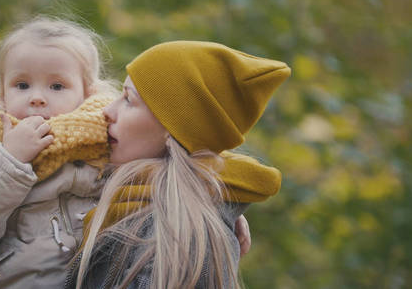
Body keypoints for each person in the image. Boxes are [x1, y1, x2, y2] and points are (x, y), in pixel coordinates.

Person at [66, 41, 291, 288]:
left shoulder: (176, 240)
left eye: (129, 99)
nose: (107, 110)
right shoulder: (126, 199)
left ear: (173, 129)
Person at [0, 16, 117, 288]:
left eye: (56, 86)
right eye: (22, 85)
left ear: (87, 94)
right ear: (0, 94)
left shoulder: (103, 143)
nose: (37, 97)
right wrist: (10, 160)